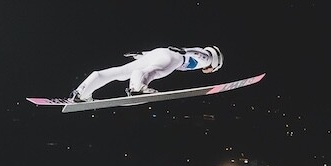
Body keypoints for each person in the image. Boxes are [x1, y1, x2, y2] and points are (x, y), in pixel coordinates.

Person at [68, 45, 222, 102]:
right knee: (157, 72)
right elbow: (198, 54)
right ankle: (138, 87)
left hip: (159, 52)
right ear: (215, 64)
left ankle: (83, 92)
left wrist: (142, 54)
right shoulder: (207, 59)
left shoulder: (201, 59)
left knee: (121, 72)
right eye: (213, 69)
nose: (209, 71)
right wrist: (183, 51)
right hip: (174, 57)